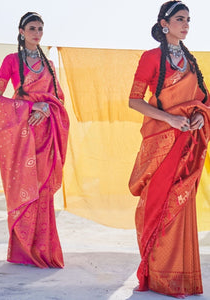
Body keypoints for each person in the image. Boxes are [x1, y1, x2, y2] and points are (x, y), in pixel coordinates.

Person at [128, 1, 210, 298]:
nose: (186, 24)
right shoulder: (151, 58)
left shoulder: (191, 61)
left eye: (188, 19)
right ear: (165, 23)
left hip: (187, 142)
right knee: (157, 204)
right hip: (162, 141)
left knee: (181, 203)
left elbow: (205, 99)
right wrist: (171, 119)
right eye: (180, 19)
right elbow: (134, 100)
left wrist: (201, 115)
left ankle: (180, 276)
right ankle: (156, 274)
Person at [0, 12, 69, 268]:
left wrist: (47, 109)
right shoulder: (11, 61)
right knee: (24, 190)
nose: (37, 33)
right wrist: (29, 109)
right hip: (23, 133)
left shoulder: (48, 63)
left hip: (46, 134)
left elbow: (58, 98)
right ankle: (24, 251)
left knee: (43, 192)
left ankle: (44, 249)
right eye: (32, 28)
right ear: (21, 31)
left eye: (40, 28)